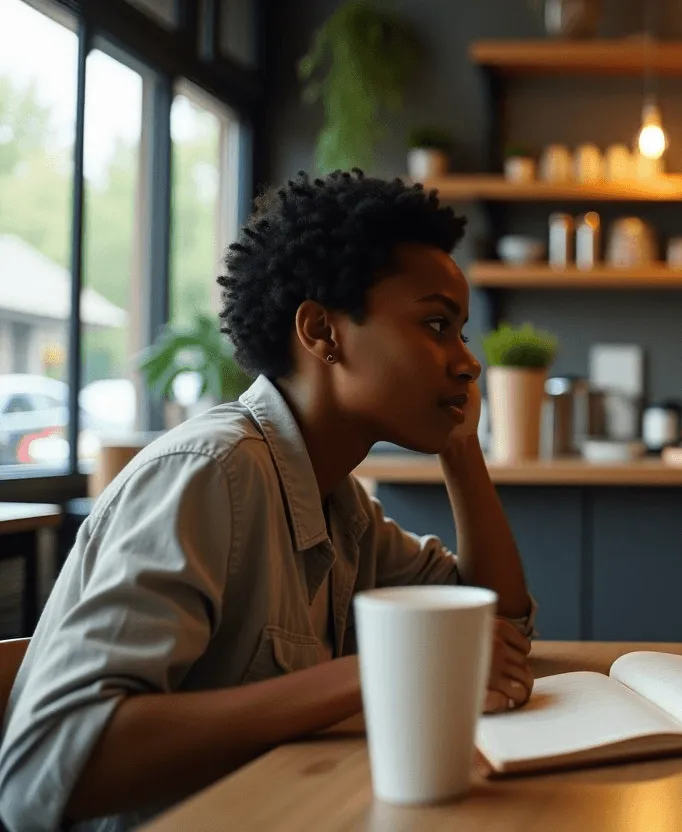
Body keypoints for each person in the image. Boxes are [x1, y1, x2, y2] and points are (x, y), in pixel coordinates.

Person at [0, 172, 537, 832]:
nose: (468, 361)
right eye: (436, 325)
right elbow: (42, 772)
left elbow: (498, 630)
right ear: (321, 331)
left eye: (460, 333)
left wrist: (462, 450)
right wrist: (376, 673)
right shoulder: (211, 473)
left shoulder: (338, 501)